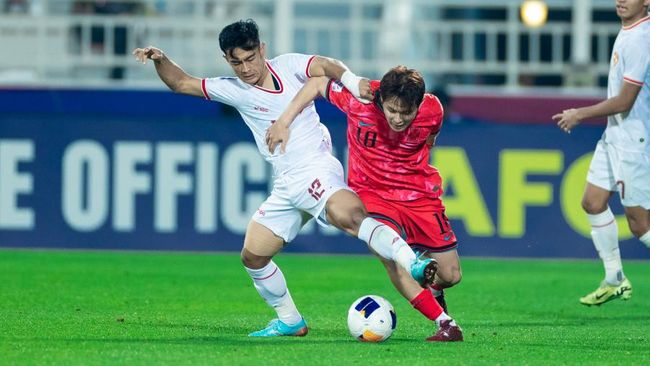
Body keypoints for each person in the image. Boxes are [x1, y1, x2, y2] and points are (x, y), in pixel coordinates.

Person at [132, 19, 438, 336]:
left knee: (351, 217)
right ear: (227, 60)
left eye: (250, 58)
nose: (246, 68)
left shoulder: (288, 65)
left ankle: (410, 260)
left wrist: (350, 78)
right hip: (287, 183)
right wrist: (160, 59)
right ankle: (291, 320)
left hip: (316, 167)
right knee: (253, 255)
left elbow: (325, 65)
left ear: (262, 49)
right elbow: (181, 83)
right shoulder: (233, 89)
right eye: (236, 62)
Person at [267, 66, 464, 342]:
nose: (396, 118)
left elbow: (430, 136)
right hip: (371, 193)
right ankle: (445, 323)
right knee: (392, 257)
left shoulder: (433, 111)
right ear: (381, 99)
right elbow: (317, 83)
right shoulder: (360, 97)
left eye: (405, 113)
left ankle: (431, 289)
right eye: (391, 110)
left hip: (418, 194)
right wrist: (283, 121)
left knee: (450, 275)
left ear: (418, 105)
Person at [552, 1, 649, 306]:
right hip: (615, 135)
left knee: (639, 224)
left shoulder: (642, 38)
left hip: (635, 140)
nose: (621, 0)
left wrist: (579, 114)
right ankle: (615, 279)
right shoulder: (628, 32)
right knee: (592, 202)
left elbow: (624, 102)